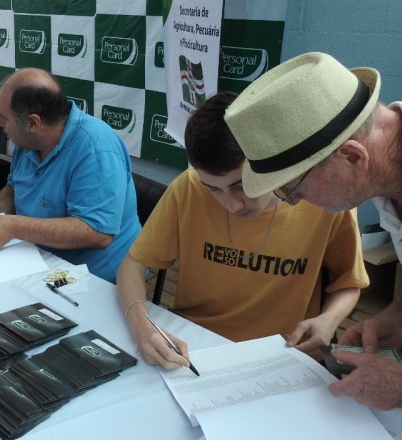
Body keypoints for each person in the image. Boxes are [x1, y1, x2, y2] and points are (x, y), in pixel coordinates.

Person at [223, 51, 402, 420]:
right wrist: (400, 318)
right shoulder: (390, 172)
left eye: (292, 188)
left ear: (352, 157)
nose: (292, 203)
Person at [117, 92, 367, 369]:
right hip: (196, 348)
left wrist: (328, 321)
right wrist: (142, 326)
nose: (233, 205)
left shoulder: (322, 200)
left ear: (267, 160)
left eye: (240, 185)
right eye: (213, 189)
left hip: (279, 354)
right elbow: (133, 265)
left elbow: (348, 284)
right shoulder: (188, 187)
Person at [0, 68, 141, 283]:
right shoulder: (28, 140)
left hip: (98, 278)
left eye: (3, 117)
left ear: (33, 123)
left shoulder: (96, 149)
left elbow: (97, 232)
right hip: (39, 258)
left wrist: (10, 226)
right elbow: (16, 188)